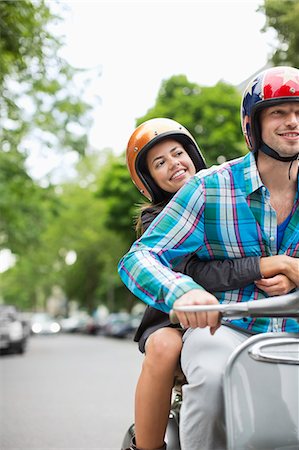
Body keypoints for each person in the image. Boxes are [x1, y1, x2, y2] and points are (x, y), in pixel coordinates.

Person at [118, 65, 299, 450]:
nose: (293, 122)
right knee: (214, 378)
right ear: (253, 125)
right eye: (279, 112)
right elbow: (141, 257)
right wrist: (182, 291)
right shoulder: (209, 187)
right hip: (223, 326)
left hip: (293, 330)